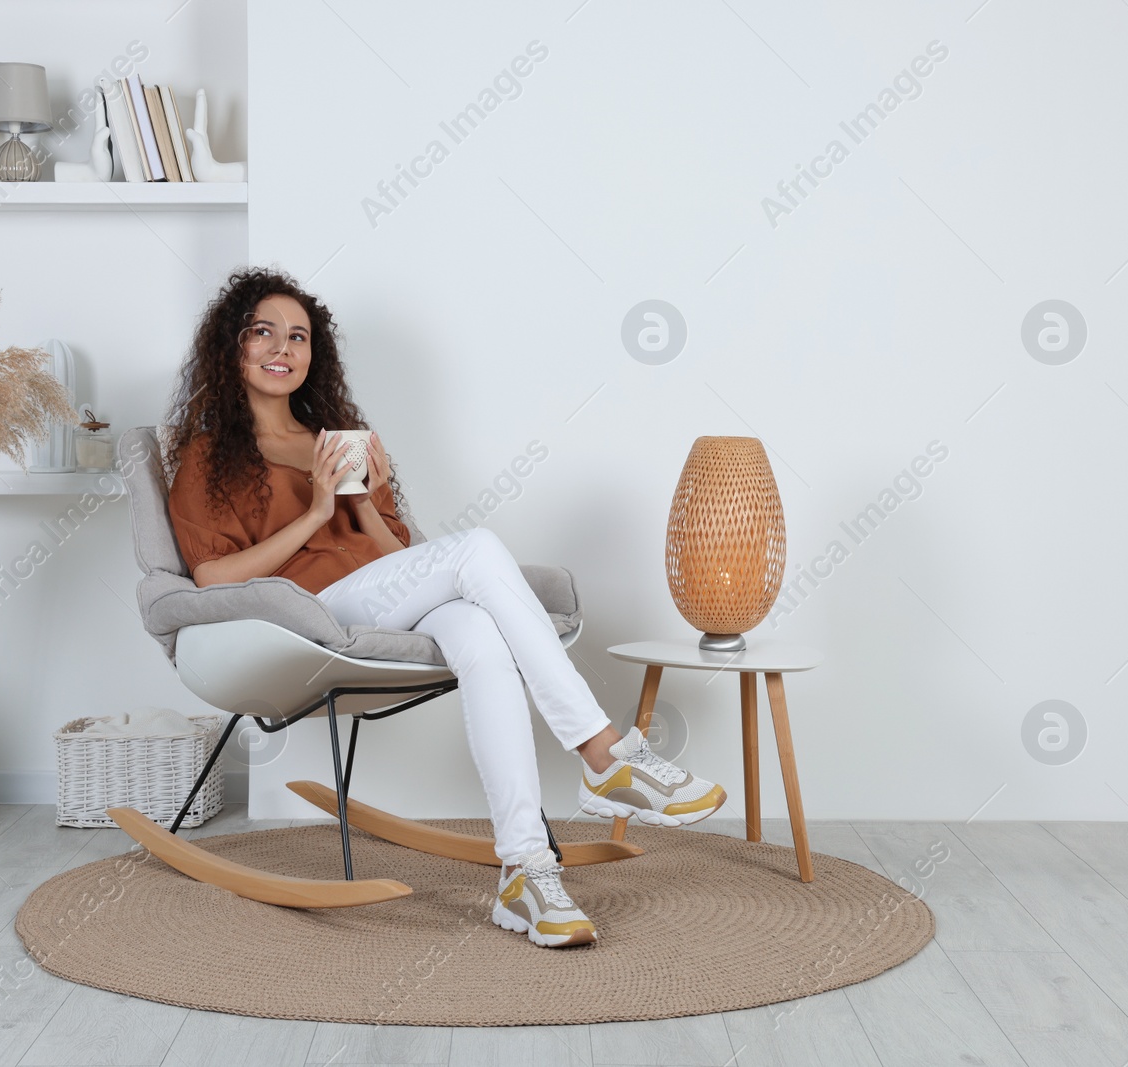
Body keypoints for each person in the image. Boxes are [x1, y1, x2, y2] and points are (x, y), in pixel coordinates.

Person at [161, 266, 726, 947]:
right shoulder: (209, 456)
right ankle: (604, 755)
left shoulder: (336, 439)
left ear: (315, 355)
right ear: (233, 348)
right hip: (313, 616)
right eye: (263, 332)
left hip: (387, 596)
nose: (283, 347)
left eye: (299, 336)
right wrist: (314, 514)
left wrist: (364, 498)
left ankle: (527, 871)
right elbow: (211, 574)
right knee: (479, 548)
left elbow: (398, 549)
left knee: (482, 634)